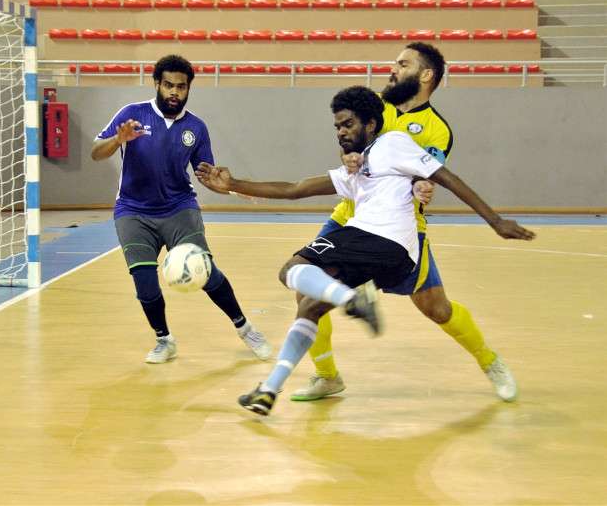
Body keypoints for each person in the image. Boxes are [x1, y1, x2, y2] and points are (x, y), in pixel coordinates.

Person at [195, 85, 535, 416]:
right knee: (310, 305)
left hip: (383, 240)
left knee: (293, 271)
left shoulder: (394, 143)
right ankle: (270, 390)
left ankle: (357, 302)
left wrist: (495, 220)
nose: (341, 132)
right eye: (337, 127)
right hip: (380, 249)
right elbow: (295, 189)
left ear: (371, 124)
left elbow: (445, 176)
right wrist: (233, 185)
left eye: (348, 124)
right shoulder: (357, 167)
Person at [279, 43, 519, 404]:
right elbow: (349, 147)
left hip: (401, 227)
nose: (393, 69)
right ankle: (327, 376)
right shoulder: (376, 105)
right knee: (308, 290)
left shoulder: (437, 130)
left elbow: (428, 175)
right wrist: (348, 157)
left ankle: (490, 361)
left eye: (403, 64)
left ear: (426, 75)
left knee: (436, 308)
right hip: (349, 217)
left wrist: (422, 186)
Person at [91, 54, 272, 364]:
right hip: (133, 211)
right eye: (168, 85)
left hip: (179, 208)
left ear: (188, 88)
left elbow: (207, 175)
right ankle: (164, 340)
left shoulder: (196, 127)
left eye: (181, 86)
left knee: (207, 274)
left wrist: (235, 188)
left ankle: (245, 328)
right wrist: (118, 139)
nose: (174, 92)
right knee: (145, 283)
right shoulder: (132, 114)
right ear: (157, 84)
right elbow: (96, 152)